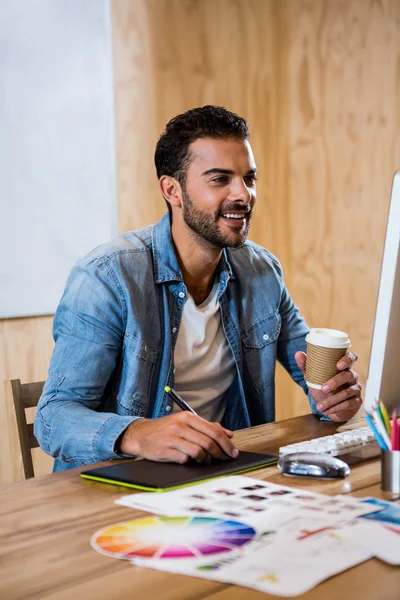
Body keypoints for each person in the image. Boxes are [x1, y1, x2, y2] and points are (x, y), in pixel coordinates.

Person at [34, 106, 362, 471]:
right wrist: (140, 434)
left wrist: (334, 398)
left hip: (227, 476)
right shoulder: (106, 278)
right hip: (117, 485)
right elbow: (53, 419)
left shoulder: (262, 272)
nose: (243, 194)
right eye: (220, 179)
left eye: (248, 178)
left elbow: (315, 378)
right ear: (172, 190)